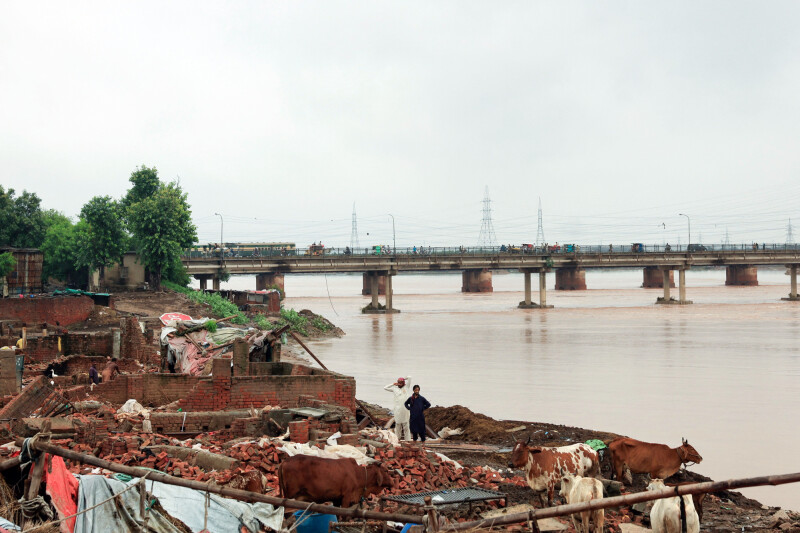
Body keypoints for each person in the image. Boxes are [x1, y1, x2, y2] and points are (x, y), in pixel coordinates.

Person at [384, 376, 412, 441]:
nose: (399, 384)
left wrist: (403, 378)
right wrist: (393, 384)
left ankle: (408, 440)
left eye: (400, 383)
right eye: (398, 383)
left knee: (406, 426)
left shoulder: (406, 387)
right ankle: (397, 439)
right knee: (398, 425)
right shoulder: (394, 389)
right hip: (397, 410)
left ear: (403, 383)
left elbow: (409, 378)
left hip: (405, 410)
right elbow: (385, 388)